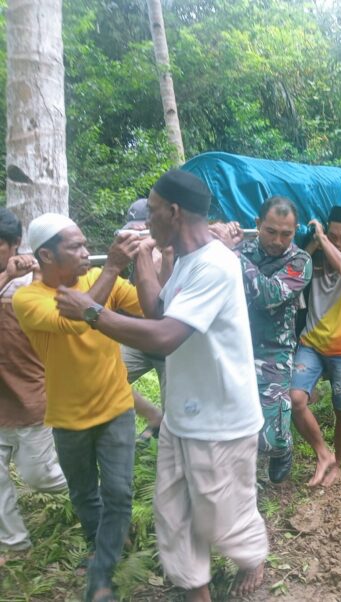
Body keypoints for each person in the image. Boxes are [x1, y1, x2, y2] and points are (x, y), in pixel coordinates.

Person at [53, 170, 268, 601]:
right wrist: (139, 259)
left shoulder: (216, 265)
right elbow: (157, 310)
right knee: (174, 512)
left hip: (223, 419)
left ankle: (251, 555)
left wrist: (91, 311)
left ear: (173, 212)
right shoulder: (187, 260)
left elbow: (166, 336)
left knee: (219, 519)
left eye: (151, 211)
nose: (146, 219)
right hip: (183, 415)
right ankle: (197, 590)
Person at [12, 213, 142, 602]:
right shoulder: (28, 298)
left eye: (87, 245)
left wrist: (159, 255)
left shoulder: (100, 281)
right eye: (77, 247)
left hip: (116, 407)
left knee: (118, 493)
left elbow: (149, 304)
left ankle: (100, 577)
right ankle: (99, 542)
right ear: (46, 256)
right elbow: (77, 322)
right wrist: (116, 264)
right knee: (85, 494)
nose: (87, 253)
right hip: (68, 418)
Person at [212, 197, 312, 484]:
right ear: (257, 225)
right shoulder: (242, 248)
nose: (278, 240)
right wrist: (219, 235)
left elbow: (268, 296)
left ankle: (283, 448)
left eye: (286, 234)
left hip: (273, 352)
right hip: (233, 345)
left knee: (270, 440)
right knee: (230, 423)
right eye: (271, 231)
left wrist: (232, 253)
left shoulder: (299, 261)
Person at [0, 209, 67, 559]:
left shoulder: (27, 288)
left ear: (14, 246)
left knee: (41, 477)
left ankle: (100, 496)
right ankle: (15, 544)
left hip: (30, 400)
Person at [289, 206, 341, 487]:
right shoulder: (315, 255)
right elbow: (293, 268)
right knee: (296, 399)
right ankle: (323, 454)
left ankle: (337, 461)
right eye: (332, 235)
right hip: (310, 342)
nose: (337, 241)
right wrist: (313, 242)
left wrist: (324, 240)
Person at [118, 198, 166, 442]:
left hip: (169, 343)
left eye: (143, 230)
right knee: (107, 378)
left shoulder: (170, 253)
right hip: (140, 337)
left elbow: (159, 307)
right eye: (133, 230)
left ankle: (162, 429)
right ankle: (153, 416)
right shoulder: (133, 254)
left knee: (179, 415)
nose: (137, 236)